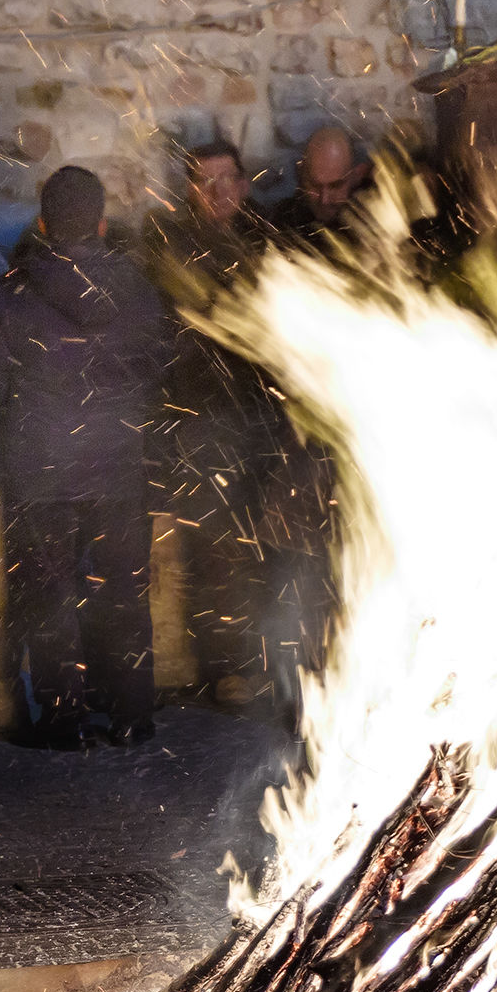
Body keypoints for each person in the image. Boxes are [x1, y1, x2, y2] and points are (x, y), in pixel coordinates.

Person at [0, 167, 172, 748]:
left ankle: (64, 716)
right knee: (123, 587)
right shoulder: (137, 287)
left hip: (41, 465)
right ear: (99, 221)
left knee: (50, 592)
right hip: (119, 461)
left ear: (43, 223)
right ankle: (132, 711)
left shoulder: (13, 292)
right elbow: (160, 364)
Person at [147, 142, 328, 715]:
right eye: (205, 181)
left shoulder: (270, 242)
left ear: (245, 184)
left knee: (277, 545)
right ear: (190, 190)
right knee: (216, 551)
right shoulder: (173, 249)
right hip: (202, 423)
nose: (219, 191)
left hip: (268, 420)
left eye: (228, 178)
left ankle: (282, 661)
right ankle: (229, 669)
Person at [262, 127, 368, 253]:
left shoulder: (376, 218)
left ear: (357, 175)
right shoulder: (282, 224)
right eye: (314, 185)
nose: (324, 199)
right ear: (301, 176)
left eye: (335, 186)